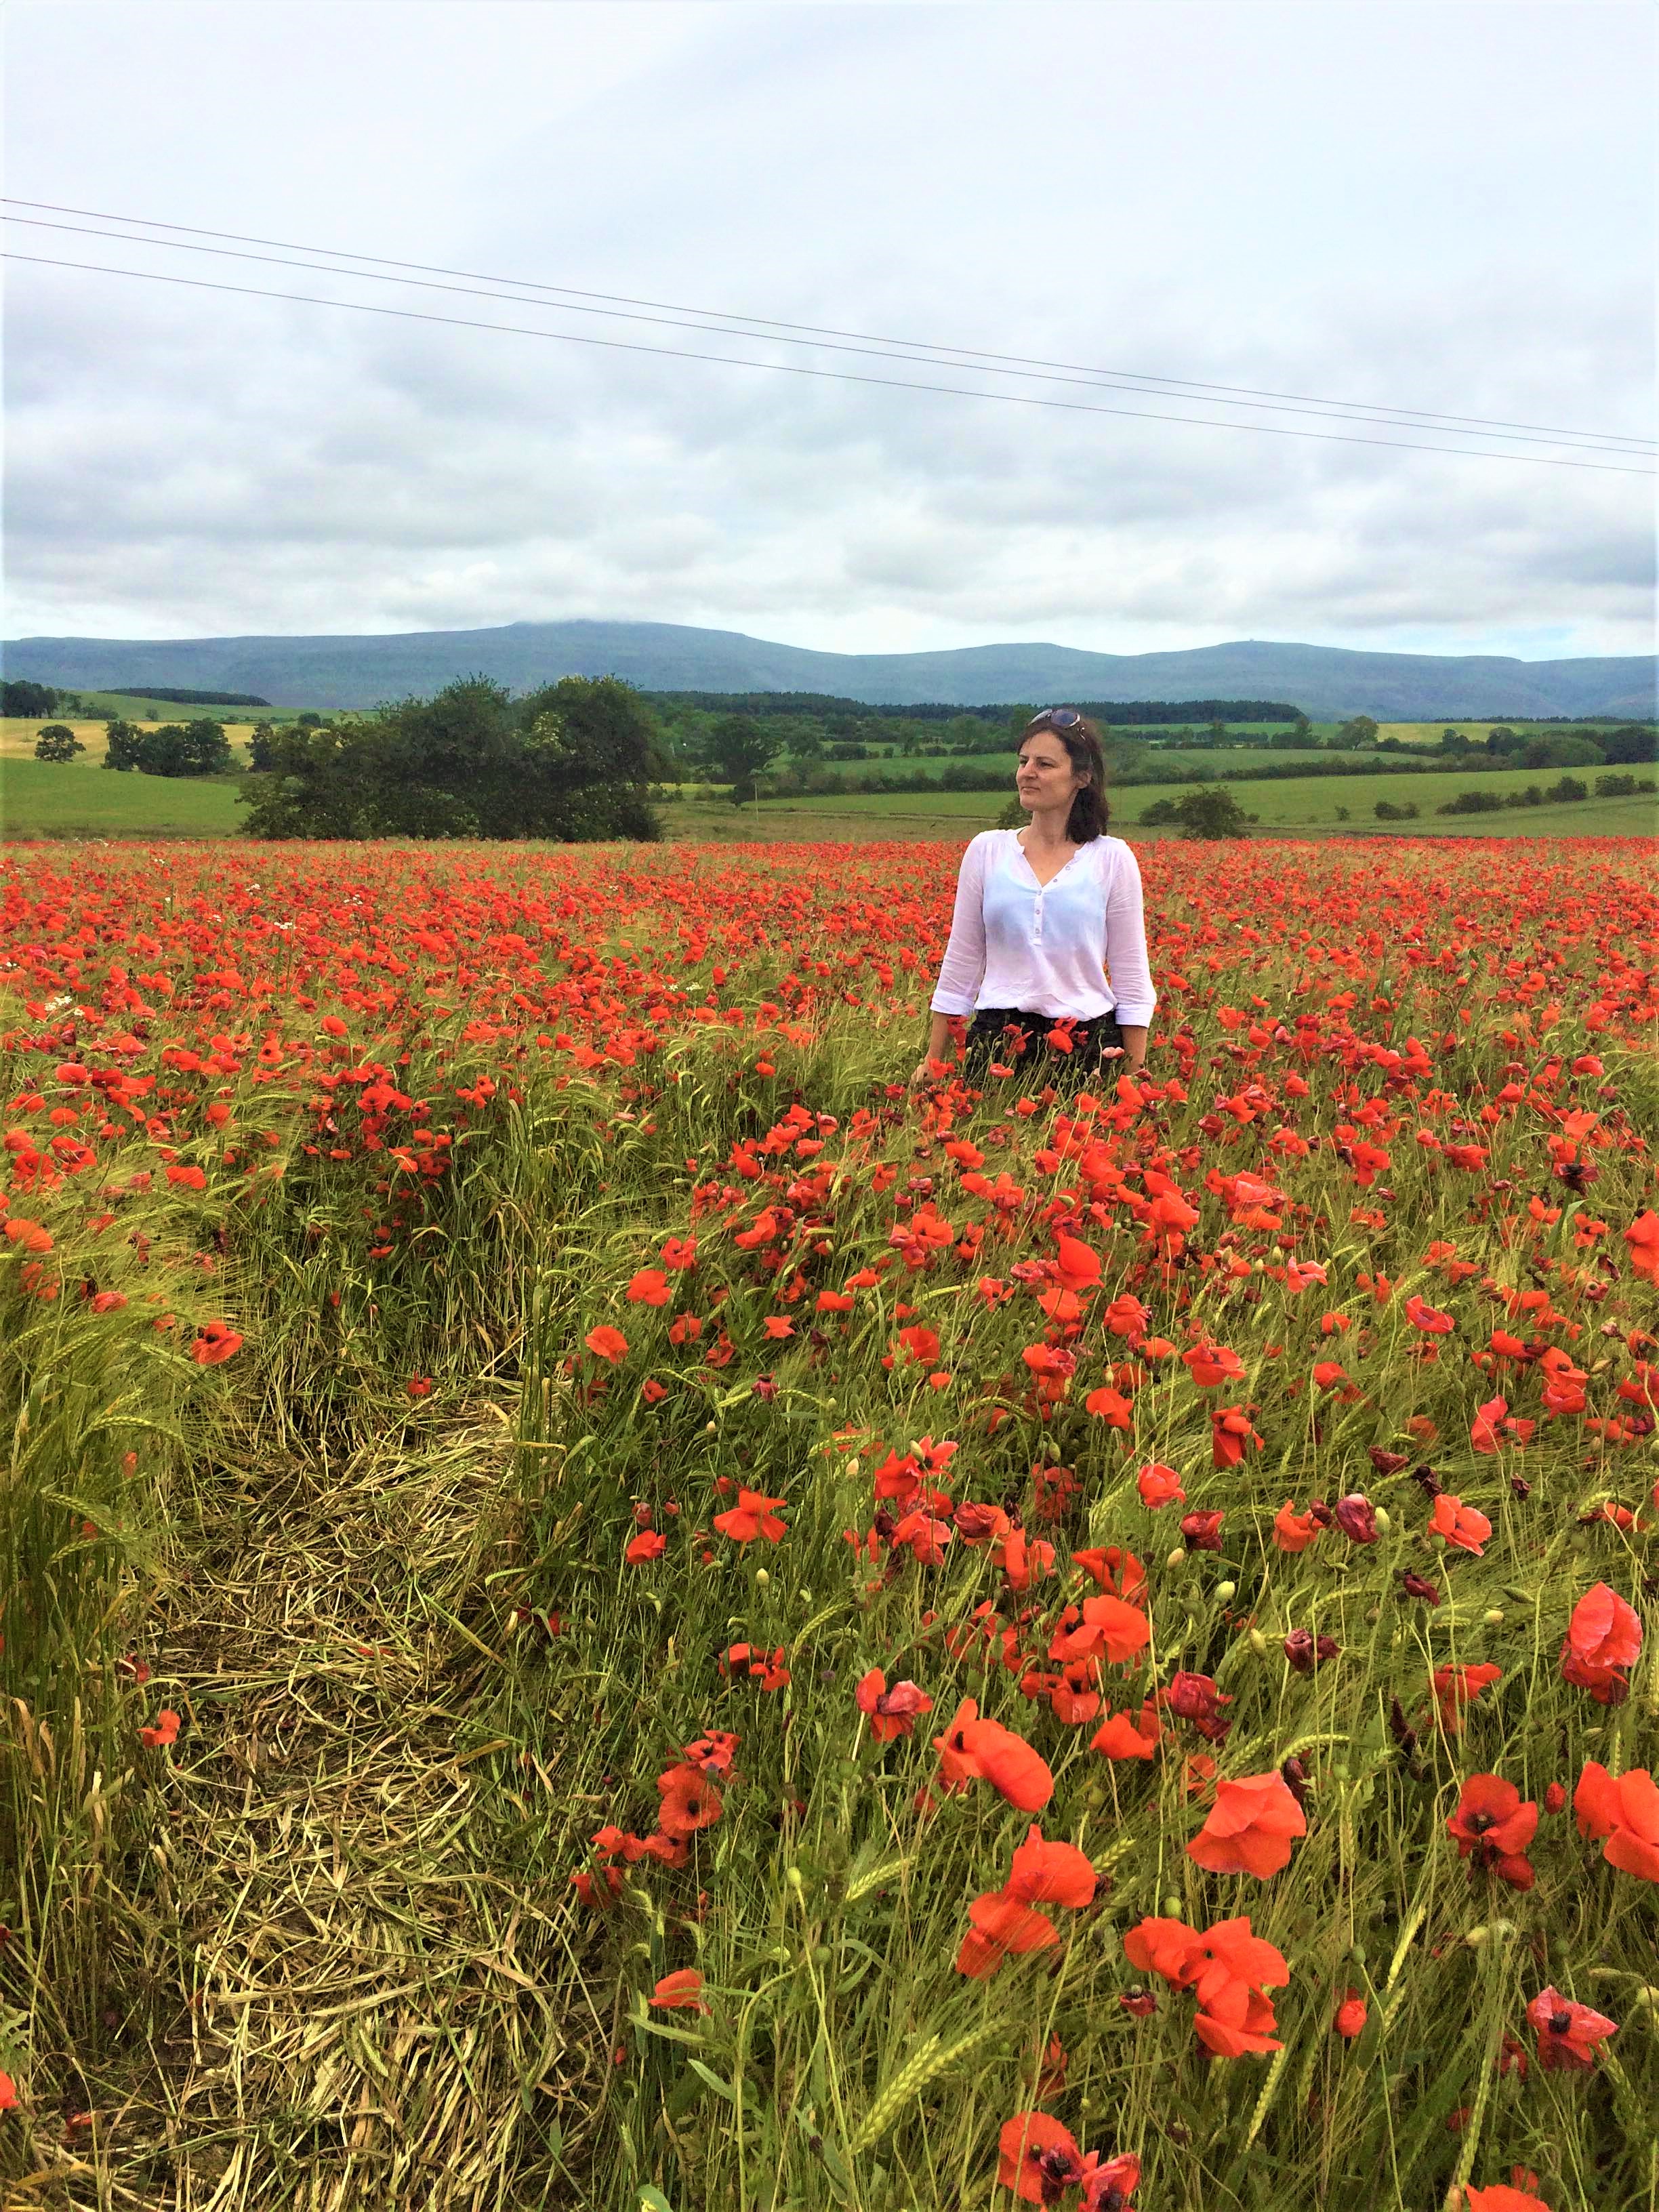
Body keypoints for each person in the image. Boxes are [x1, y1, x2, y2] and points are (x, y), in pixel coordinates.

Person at [912, 707, 1155, 1088]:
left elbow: (1131, 976)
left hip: (1087, 1045)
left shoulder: (1112, 858)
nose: (1027, 773)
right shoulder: (986, 851)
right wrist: (933, 1061)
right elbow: (961, 962)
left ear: (1081, 777)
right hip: (996, 1039)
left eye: (1044, 764)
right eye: (1024, 761)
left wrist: (1134, 1077)